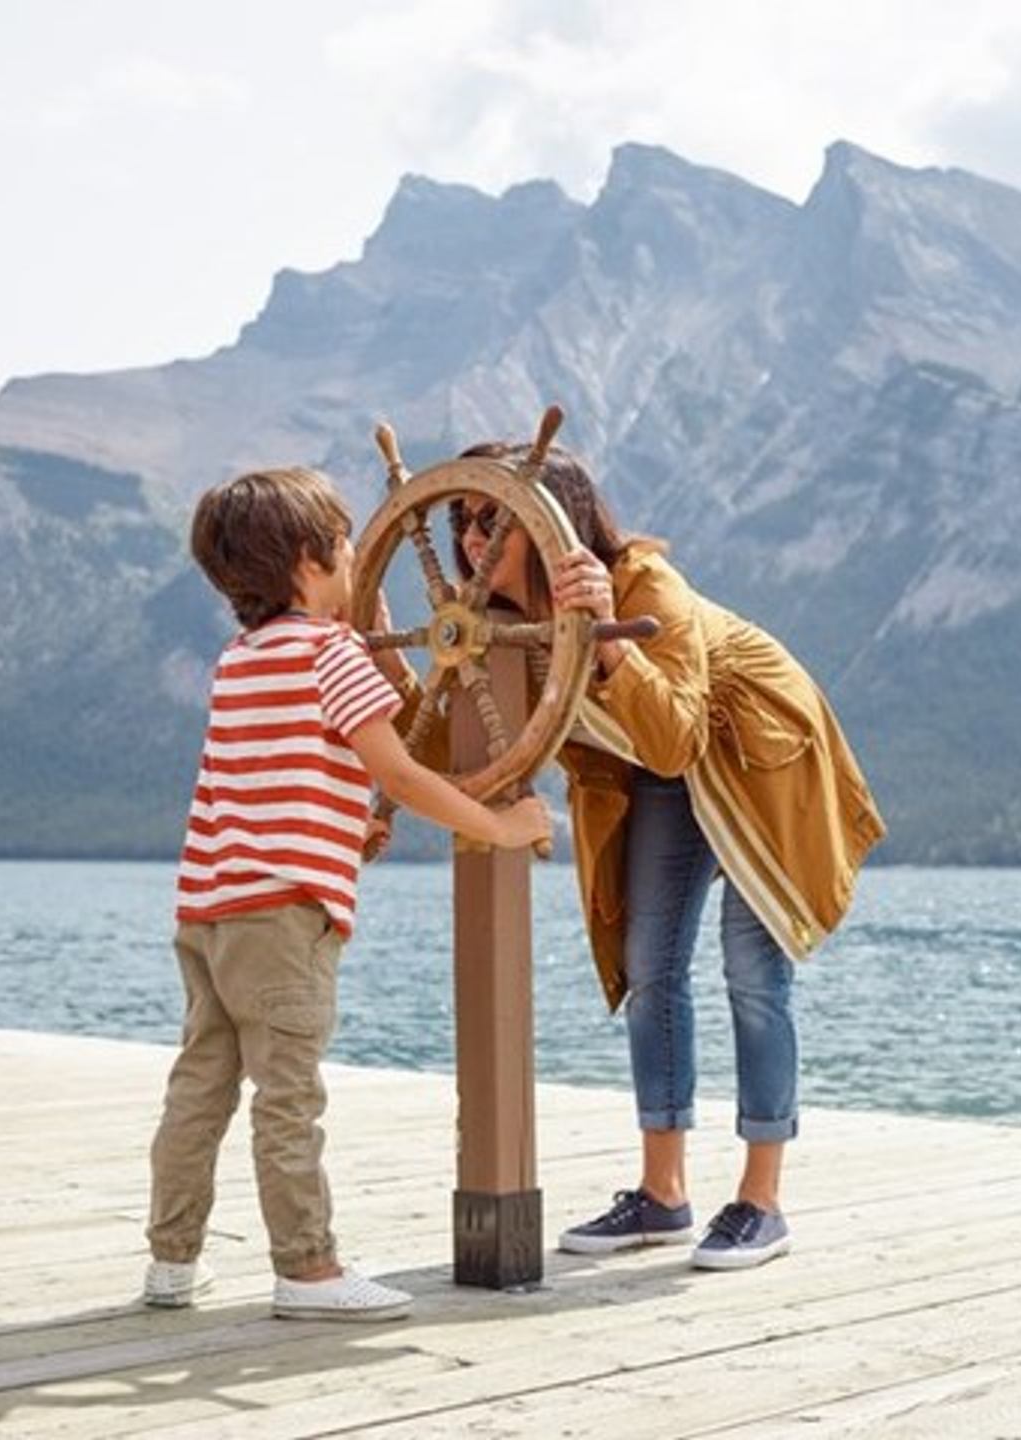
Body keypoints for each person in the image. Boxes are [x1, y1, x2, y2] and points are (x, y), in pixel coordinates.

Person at [448, 442, 885, 1269]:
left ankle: (762, 1201)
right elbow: (460, 737)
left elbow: (678, 733)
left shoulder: (649, 589)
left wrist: (611, 636)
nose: (472, 539)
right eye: (462, 519)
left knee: (753, 975)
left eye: (491, 520)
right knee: (651, 968)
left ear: (555, 521)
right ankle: (664, 1195)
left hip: (758, 757)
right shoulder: (504, 628)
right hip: (657, 774)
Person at [144, 467, 551, 1320]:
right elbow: (400, 772)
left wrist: (344, 828)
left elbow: (250, 785)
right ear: (309, 561)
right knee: (288, 1097)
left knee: (199, 1092)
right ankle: (307, 1269)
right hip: (285, 919)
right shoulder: (334, 653)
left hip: (208, 913)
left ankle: (171, 1263)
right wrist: (501, 823)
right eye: (345, 547)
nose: (356, 563)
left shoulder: (239, 661)